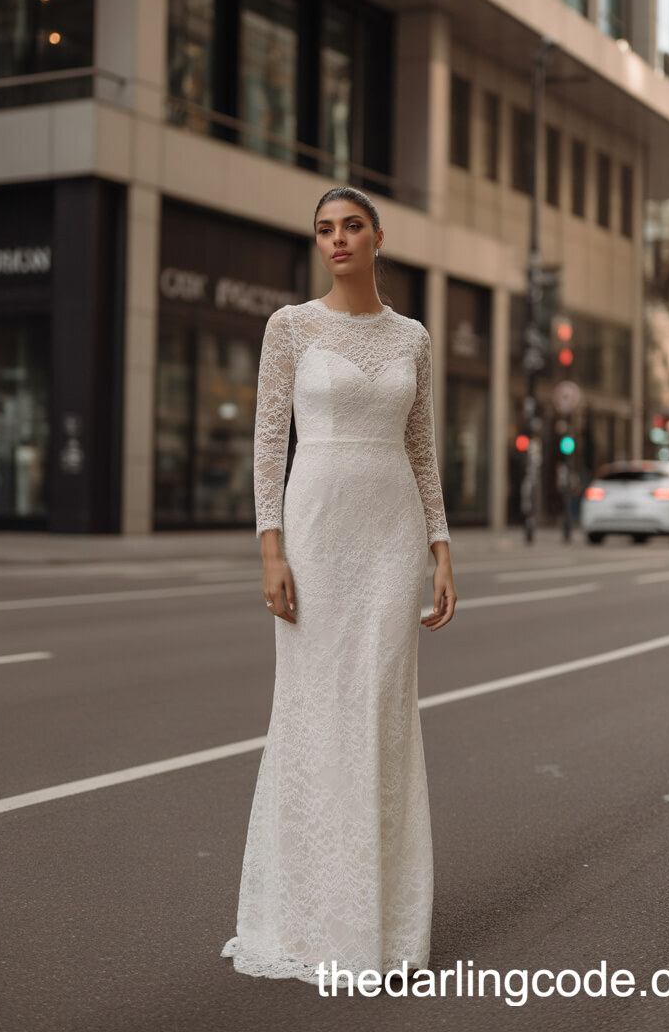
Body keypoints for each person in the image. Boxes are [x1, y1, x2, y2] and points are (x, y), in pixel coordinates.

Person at [221, 185, 458, 986]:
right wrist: (271, 550)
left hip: (392, 537)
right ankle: (303, 914)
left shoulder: (413, 337)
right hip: (316, 531)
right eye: (325, 229)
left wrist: (441, 546)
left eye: (353, 226)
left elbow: (422, 449)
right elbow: (268, 444)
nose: (339, 239)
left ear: (379, 236)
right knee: (313, 711)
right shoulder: (289, 327)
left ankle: (377, 921)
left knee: (380, 714)